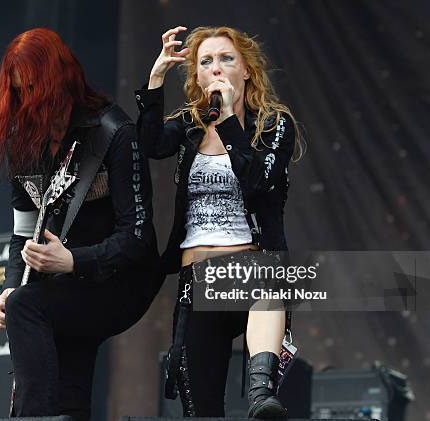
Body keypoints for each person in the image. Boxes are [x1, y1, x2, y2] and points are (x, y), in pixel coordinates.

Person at [0, 28, 162, 421]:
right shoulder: (24, 144)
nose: (27, 101)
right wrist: (11, 285)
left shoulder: (114, 132)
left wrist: (73, 262)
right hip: (65, 284)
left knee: (28, 307)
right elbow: (22, 233)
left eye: (33, 88)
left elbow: (137, 238)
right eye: (18, 92)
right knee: (68, 384)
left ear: (60, 80)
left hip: (121, 282)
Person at [134, 26, 304, 418]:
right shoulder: (191, 125)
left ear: (246, 69)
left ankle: (262, 397)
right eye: (205, 61)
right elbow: (150, 145)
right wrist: (156, 79)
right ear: (195, 75)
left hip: (250, 267)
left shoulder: (273, 125)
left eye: (227, 58)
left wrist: (229, 121)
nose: (216, 68)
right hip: (198, 278)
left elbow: (259, 181)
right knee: (202, 409)